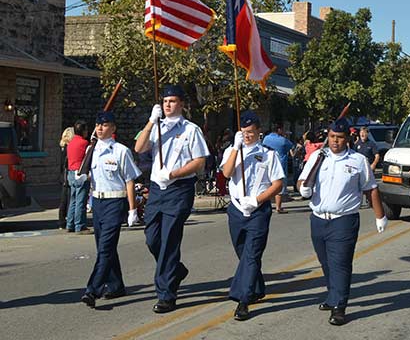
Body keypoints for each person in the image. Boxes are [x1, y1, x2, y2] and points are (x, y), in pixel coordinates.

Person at [297, 118, 388, 326]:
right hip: (318, 219)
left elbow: (371, 188)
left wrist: (379, 216)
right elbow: (302, 180)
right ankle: (332, 296)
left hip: (343, 220)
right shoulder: (317, 158)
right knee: (326, 262)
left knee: (340, 264)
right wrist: (303, 187)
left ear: (347, 138)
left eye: (339, 137)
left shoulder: (357, 160)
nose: (335, 141)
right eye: (331, 137)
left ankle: (339, 306)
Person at [134, 85, 210, 314]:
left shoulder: (191, 129)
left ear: (182, 104)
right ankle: (175, 270)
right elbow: (139, 148)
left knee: (169, 240)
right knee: (152, 239)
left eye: (173, 101)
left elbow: (199, 162)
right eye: (165, 101)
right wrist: (150, 122)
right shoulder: (157, 126)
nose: (168, 105)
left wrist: (175, 173)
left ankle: (166, 294)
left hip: (178, 189)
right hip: (157, 189)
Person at [220, 111, 284, 321]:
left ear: (259, 132)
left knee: (252, 254)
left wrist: (258, 200)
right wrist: (236, 148)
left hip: (258, 210)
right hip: (237, 209)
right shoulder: (232, 150)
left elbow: (278, 184)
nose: (247, 136)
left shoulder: (269, 154)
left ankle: (243, 300)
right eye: (244, 132)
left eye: (250, 132)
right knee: (242, 252)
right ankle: (257, 288)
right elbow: (227, 173)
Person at [80, 112, 141, 308]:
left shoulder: (121, 151)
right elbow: (92, 176)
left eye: (104, 125)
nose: (99, 128)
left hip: (115, 203)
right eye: (97, 124)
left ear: (113, 128)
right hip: (98, 202)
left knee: (105, 249)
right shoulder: (92, 149)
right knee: (105, 247)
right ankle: (116, 285)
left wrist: (133, 210)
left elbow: (130, 180)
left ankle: (93, 290)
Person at [262, 123, 294, 214]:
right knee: (279, 187)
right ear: (279, 129)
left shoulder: (266, 138)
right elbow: (291, 147)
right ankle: (278, 207)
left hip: (267, 164)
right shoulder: (283, 140)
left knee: (267, 185)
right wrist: (285, 136)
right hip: (280, 164)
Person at [66, 120, 91, 234]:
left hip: (71, 172)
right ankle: (79, 225)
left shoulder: (71, 142)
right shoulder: (84, 143)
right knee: (81, 200)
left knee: (73, 200)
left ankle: (70, 224)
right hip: (80, 172)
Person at [58, 127, 74, 230]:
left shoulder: (63, 147)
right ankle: (65, 221)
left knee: (64, 200)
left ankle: (62, 221)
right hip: (68, 175)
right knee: (69, 199)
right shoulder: (69, 148)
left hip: (63, 176)